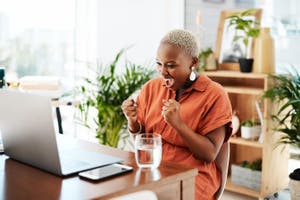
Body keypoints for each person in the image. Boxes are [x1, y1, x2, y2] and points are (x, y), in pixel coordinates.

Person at [121, 29, 232, 200]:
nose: (163, 71)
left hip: (194, 176)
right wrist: (133, 122)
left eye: (171, 65)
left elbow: (209, 154)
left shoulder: (214, 95)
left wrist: (178, 124)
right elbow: (143, 141)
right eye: (159, 63)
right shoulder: (151, 88)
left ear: (193, 62)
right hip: (154, 169)